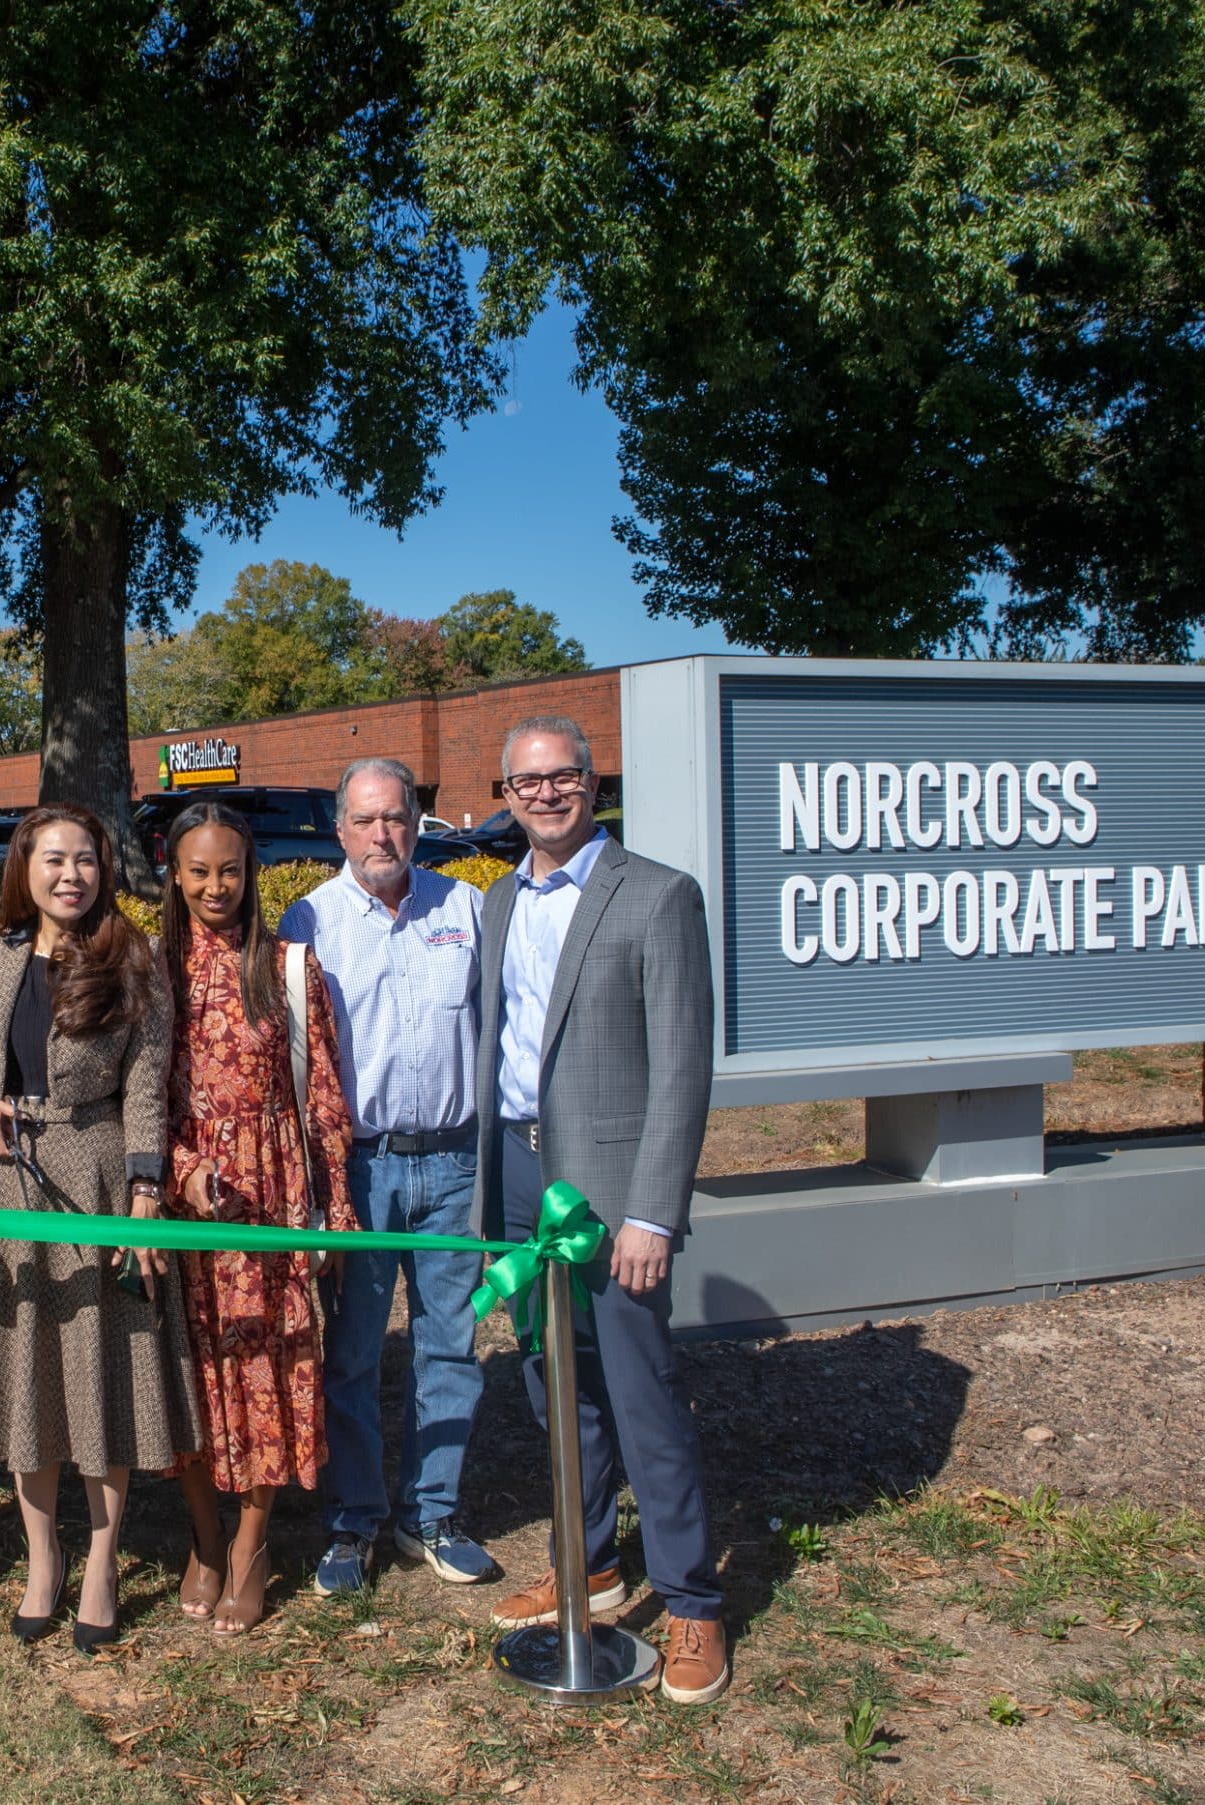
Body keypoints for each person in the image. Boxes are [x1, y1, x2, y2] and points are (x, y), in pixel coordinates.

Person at [473, 713, 730, 1704]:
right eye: (525, 780)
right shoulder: (498, 902)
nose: (544, 792)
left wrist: (652, 1213)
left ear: (592, 781)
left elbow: (680, 1071)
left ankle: (692, 1600)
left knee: (638, 1390)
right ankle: (587, 1563)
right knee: (553, 1382)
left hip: (613, 1191)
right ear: (502, 795)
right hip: (518, 1176)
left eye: (563, 775)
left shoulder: (658, 897)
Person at [0, 806, 197, 1655]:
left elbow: (149, 1085)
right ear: (25, 867)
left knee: (99, 1372)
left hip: (100, 1175)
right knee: (27, 1374)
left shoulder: (134, 955)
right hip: (5, 1183)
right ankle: (42, 1557)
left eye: (85, 859)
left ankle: (103, 1562)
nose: (71, 874)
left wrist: (147, 1197)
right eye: (54, 858)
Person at [280, 758, 500, 1597]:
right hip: (359, 1171)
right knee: (354, 1353)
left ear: (418, 822)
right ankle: (356, 1516)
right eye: (366, 820)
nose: (382, 834)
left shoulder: (466, 910)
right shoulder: (309, 921)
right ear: (340, 830)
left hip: (454, 1162)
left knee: (452, 1344)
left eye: (397, 817)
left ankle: (433, 1511)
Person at [157, 798, 355, 1635]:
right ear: (174, 873)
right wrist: (179, 1170)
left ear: (253, 872)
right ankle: (203, 1536)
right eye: (199, 870)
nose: (215, 886)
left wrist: (334, 1208)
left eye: (230, 870)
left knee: (269, 1367)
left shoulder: (289, 967)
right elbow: (136, 1099)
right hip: (188, 1206)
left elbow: (324, 1094)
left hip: (272, 1198)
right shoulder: (153, 968)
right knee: (195, 1373)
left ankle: (251, 1544)